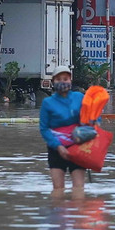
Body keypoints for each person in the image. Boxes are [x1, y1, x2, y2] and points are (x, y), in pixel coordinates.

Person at [39, 66, 86, 195]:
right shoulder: (47, 103)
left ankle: (77, 214)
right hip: (56, 149)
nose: (62, 82)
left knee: (78, 190)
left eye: (65, 79)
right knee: (58, 191)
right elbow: (44, 129)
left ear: (70, 80)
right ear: (53, 82)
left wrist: (83, 134)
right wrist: (58, 147)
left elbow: (91, 119)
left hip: (77, 147)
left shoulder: (79, 98)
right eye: (59, 79)